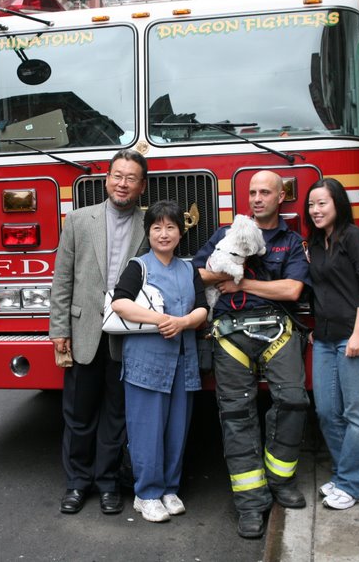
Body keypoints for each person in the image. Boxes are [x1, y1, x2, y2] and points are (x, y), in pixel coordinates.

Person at [192, 170, 309, 539]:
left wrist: (240, 280)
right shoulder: (226, 236)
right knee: (236, 414)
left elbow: (292, 290)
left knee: (293, 400)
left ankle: (280, 480)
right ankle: (250, 503)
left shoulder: (290, 242)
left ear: (280, 197)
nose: (257, 198)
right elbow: (198, 273)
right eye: (253, 193)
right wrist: (223, 270)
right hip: (230, 333)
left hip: (276, 328)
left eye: (265, 193)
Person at [48, 149, 149, 516]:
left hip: (126, 334)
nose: (123, 184)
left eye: (131, 178)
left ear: (141, 186)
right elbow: (62, 280)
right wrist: (59, 329)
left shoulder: (148, 224)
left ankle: (108, 483)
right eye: (117, 176)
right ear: (107, 179)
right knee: (78, 413)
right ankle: (77, 483)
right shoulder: (77, 220)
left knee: (116, 414)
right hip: (83, 330)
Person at [110, 200, 209, 523]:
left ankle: (169, 488)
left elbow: (202, 309)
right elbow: (120, 304)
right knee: (146, 431)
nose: (163, 234)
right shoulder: (138, 266)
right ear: (148, 233)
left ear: (181, 233)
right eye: (156, 228)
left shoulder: (189, 268)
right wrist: (160, 319)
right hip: (145, 363)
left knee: (176, 429)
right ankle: (146, 494)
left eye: (170, 227)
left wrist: (182, 323)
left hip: (183, 362)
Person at [304, 177, 359, 511]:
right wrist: (316, 327)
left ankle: (355, 485)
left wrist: (358, 333)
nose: (315, 209)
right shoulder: (316, 243)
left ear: (338, 202)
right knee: (326, 411)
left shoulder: (354, 238)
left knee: (356, 412)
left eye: (322, 203)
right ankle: (343, 475)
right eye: (311, 204)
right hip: (324, 338)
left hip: (357, 335)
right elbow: (322, 290)